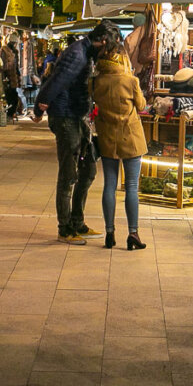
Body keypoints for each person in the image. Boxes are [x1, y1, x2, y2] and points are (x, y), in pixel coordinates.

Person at [34, 21, 119, 244]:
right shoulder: (77, 55)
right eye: (109, 46)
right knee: (69, 174)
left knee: (89, 169)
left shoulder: (86, 53)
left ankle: (77, 222)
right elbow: (55, 82)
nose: (109, 51)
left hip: (77, 116)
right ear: (102, 41)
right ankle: (65, 229)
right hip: (65, 117)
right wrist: (40, 105)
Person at [89, 42, 148, 251]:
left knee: (109, 186)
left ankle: (109, 232)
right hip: (131, 137)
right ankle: (133, 233)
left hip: (107, 137)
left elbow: (93, 103)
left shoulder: (96, 82)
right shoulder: (130, 80)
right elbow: (141, 106)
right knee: (131, 186)